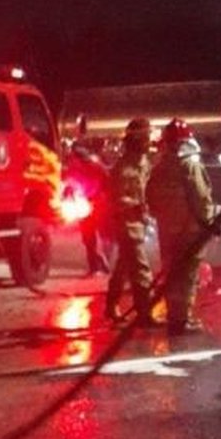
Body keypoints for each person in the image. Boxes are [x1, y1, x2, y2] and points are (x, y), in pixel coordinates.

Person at [148, 118, 215, 336]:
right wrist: (209, 224)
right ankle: (182, 319)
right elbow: (201, 197)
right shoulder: (190, 165)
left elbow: (150, 197)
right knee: (188, 274)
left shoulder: (160, 167)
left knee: (171, 273)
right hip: (190, 230)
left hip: (167, 231)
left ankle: (174, 316)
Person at [104, 118, 158, 325]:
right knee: (141, 269)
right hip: (127, 224)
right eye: (144, 138)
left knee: (124, 267)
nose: (148, 142)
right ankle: (144, 314)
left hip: (139, 222)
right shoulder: (123, 169)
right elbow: (116, 198)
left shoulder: (143, 163)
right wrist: (135, 205)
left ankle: (111, 305)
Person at [65, 115, 111, 276]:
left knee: (103, 235)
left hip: (97, 203)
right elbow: (68, 185)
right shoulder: (72, 168)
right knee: (88, 238)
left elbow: (107, 182)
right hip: (83, 204)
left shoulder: (95, 166)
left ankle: (103, 262)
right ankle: (94, 266)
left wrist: (105, 199)